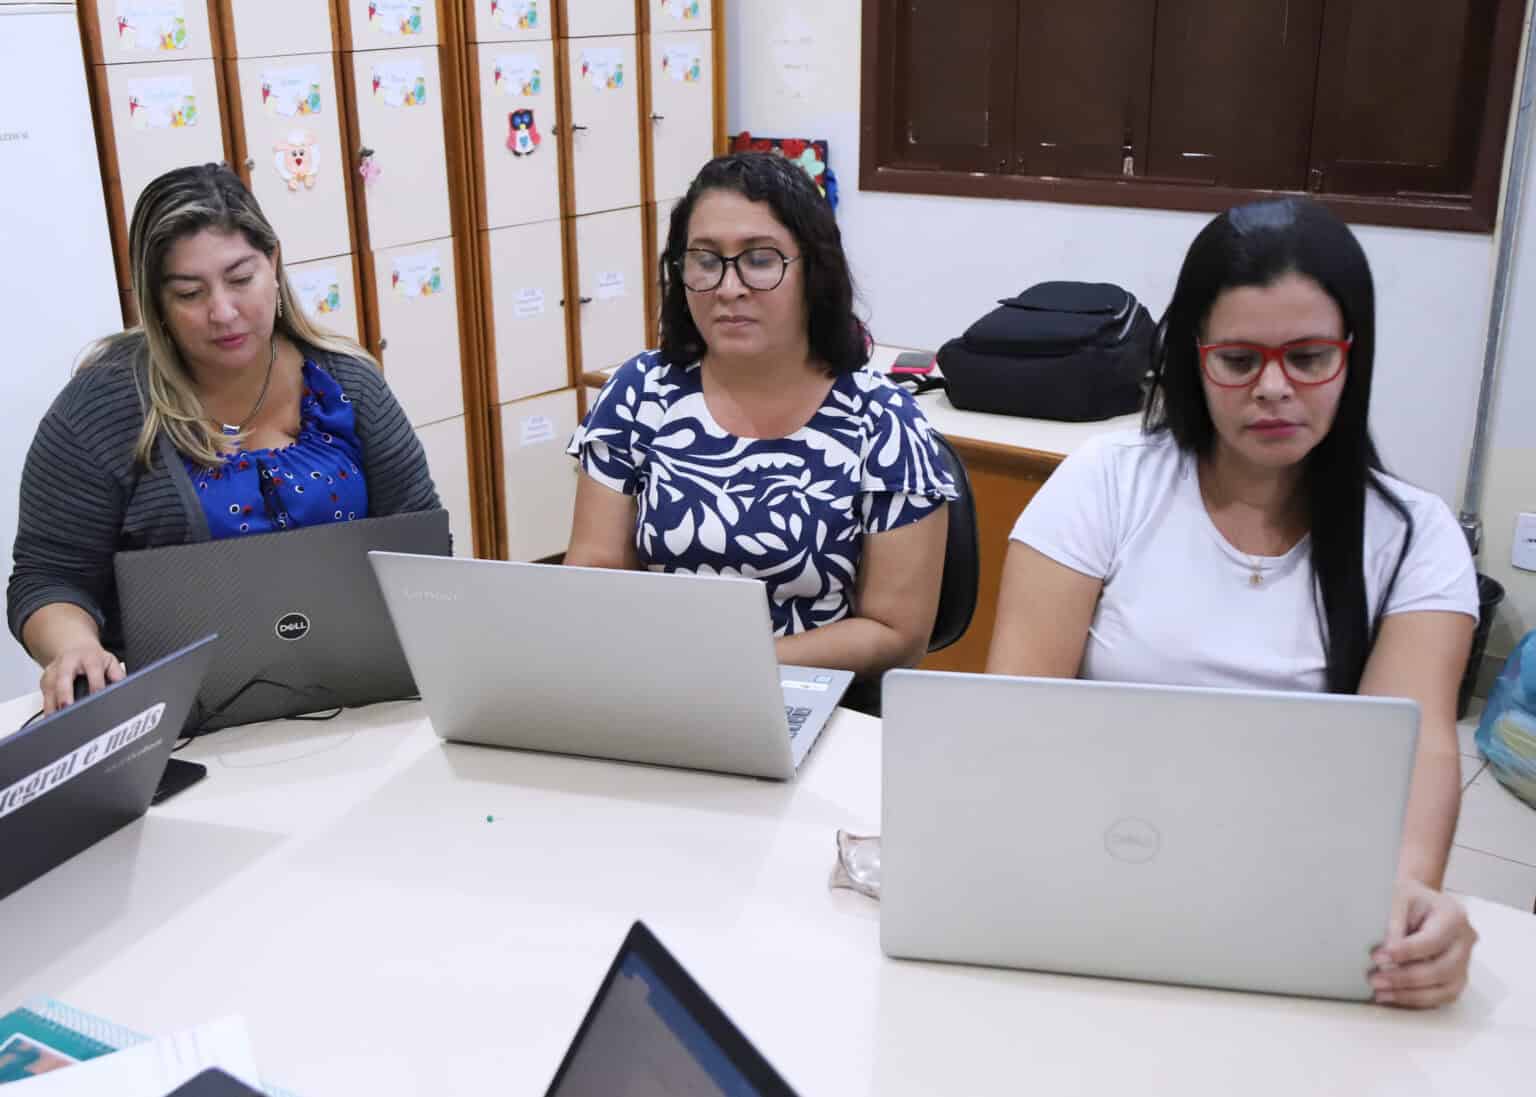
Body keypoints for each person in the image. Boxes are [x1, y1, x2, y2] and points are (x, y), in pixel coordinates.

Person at [988, 198, 1480, 1009]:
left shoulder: (1413, 537)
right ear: (1195, 359)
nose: (1274, 388)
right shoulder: (1105, 483)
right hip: (1097, 876)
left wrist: (1409, 903)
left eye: (1309, 357)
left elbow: (1417, 757)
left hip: (1302, 910)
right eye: (1240, 360)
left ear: (1352, 357)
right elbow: (1014, 718)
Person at [8, 163, 439, 714]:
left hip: (362, 697)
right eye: (190, 293)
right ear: (157, 303)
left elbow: (421, 541)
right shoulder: (101, 409)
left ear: (273, 264)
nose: (223, 312)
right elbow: (48, 579)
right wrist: (74, 646)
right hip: (181, 718)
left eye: (240, 279)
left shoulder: (347, 384)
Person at [565, 153, 955, 686]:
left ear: (813, 271)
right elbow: (594, 572)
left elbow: (897, 633)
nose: (729, 288)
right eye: (706, 260)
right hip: (654, 684)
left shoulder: (883, 421)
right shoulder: (640, 392)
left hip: (810, 694)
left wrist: (733, 667)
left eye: (760, 260)